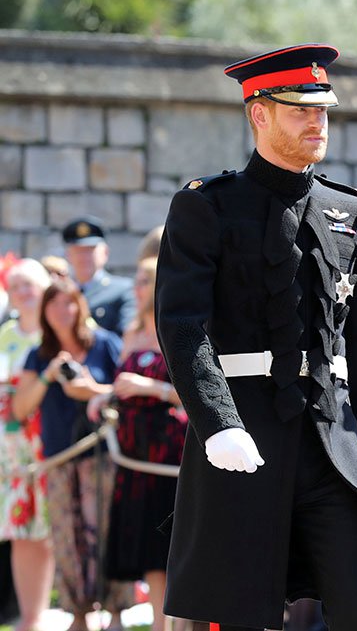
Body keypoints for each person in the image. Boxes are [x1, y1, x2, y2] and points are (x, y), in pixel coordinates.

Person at [155, 44, 357, 631]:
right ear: (258, 113)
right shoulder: (206, 205)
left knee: (355, 610)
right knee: (241, 612)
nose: (317, 122)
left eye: (323, 111)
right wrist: (219, 421)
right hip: (246, 432)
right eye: (299, 110)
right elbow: (182, 324)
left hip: (332, 441)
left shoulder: (348, 209)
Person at [12, 280, 132, 631]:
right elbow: (21, 408)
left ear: (80, 306)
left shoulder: (105, 345)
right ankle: (78, 614)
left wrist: (89, 390)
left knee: (108, 530)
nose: (61, 311)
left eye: (68, 303)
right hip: (60, 457)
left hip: (104, 454)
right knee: (67, 534)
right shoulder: (39, 354)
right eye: (53, 305)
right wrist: (50, 375)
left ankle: (116, 613)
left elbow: (125, 392)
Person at [87, 257, 186, 631]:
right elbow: (121, 383)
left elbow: (200, 393)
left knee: (168, 548)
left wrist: (154, 389)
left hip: (167, 452)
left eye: (145, 279)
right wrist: (105, 396)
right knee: (147, 549)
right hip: (133, 454)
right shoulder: (131, 332)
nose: (137, 287)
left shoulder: (176, 330)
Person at [0, 259, 54, 631]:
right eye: (15, 285)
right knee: (21, 529)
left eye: (29, 284)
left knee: (53, 527)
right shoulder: (4, 335)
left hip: (52, 441)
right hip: (11, 449)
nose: (23, 292)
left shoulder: (59, 331)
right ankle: (29, 619)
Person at [62, 216, 136, 336]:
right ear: (68, 255)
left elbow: (125, 334)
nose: (84, 257)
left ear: (105, 252)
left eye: (90, 250)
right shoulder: (62, 292)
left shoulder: (123, 290)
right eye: (78, 251)